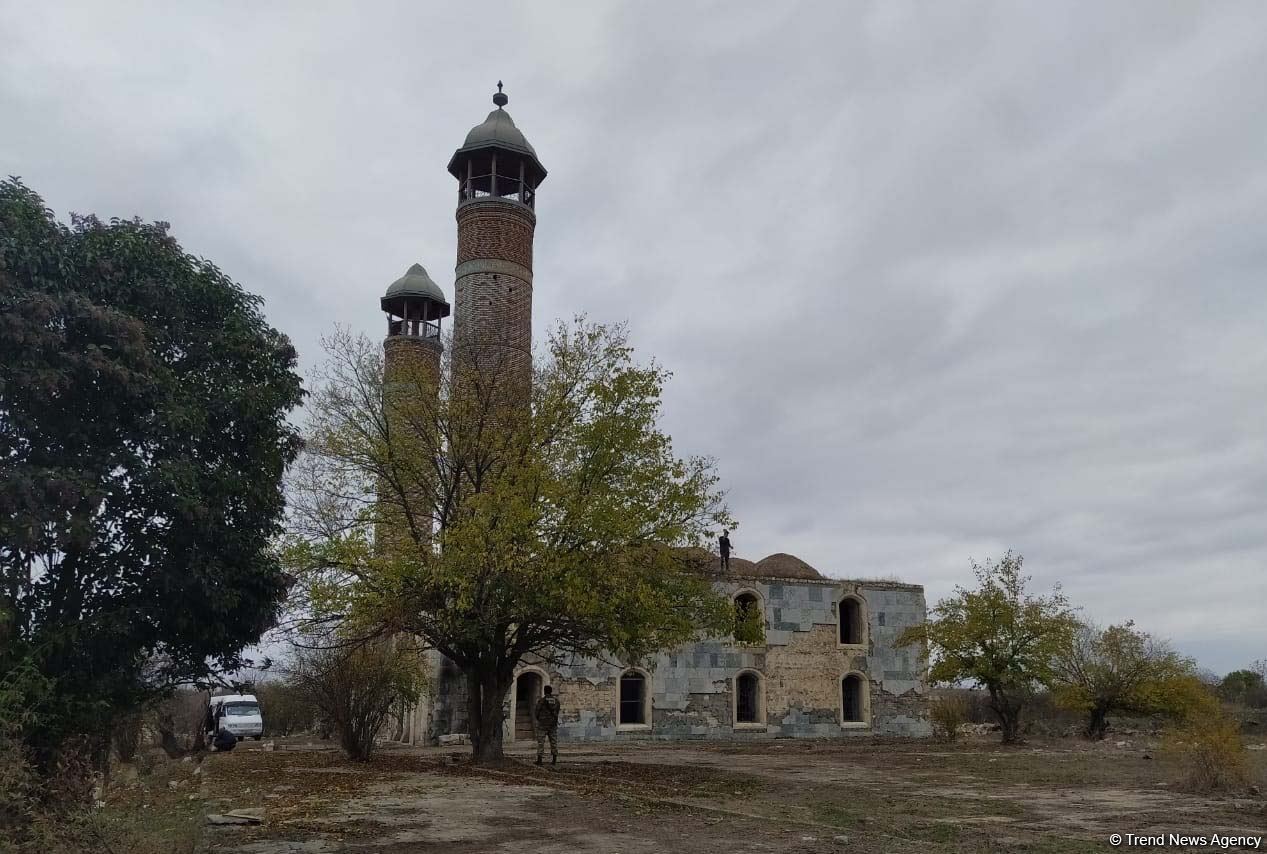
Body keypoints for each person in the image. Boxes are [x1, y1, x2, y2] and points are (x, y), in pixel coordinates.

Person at [534, 685, 561, 766]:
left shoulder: (542, 701)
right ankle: (554, 760)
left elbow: (536, 712)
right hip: (553, 724)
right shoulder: (556, 701)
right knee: (553, 741)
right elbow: (557, 711)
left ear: (545, 691)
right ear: (551, 691)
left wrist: (540, 719)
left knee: (541, 742)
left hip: (542, 724)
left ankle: (539, 760)